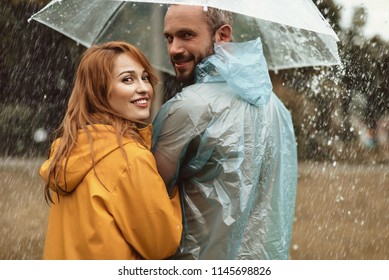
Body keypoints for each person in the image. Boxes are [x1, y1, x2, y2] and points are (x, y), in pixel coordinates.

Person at [152, 5, 298, 259]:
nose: (174, 48)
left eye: (186, 35)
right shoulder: (276, 107)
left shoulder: (187, 108)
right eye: (169, 37)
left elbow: (149, 204)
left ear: (223, 35)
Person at [39, 41, 182, 260]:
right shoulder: (129, 159)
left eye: (144, 77)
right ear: (100, 91)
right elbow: (161, 244)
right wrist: (172, 185)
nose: (144, 88)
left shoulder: (68, 150)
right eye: (127, 79)